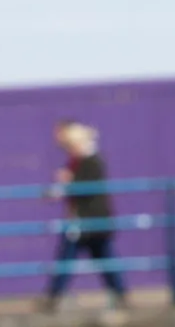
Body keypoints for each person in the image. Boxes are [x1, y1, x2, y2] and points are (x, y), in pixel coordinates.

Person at [41, 121, 127, 313]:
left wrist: (66, 182)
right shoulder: (78, 161)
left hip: (90, 221)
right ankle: (55, 296)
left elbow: (83, 187)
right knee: (85, 258)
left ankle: (55, 297)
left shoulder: (91, 161)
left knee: (95, 257)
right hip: (83, 221)